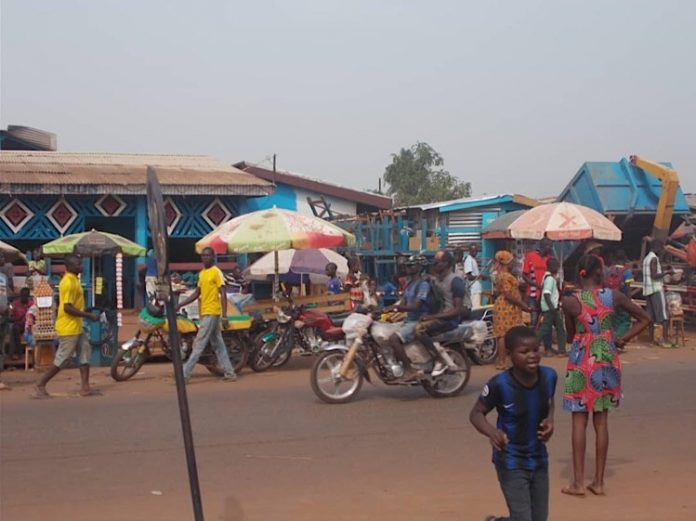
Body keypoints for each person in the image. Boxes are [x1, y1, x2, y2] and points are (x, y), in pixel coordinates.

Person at [561, 255, 650, 497]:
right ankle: (598, 482)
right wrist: (623, 338)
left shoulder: (570, 302)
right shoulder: (614, 297)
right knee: (601, 421)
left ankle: (578, 483)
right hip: (606, 358)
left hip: (581, 360)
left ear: (579, 274)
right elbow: (645, 318)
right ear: (600, 274)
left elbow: (570, 337)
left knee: (579, 420)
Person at [470, 326, 557, 521]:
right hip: (511, 460)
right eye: (524, 352)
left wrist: (550, 421)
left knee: (539, 518)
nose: (532, 356)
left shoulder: (549, 376)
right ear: (509, 355)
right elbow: (476, 413)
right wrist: (492, 432)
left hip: (539, 459)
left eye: (536, 349)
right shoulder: (500, 384)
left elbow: (549, 403)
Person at [31, 255, 100, 398]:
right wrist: (88, 316)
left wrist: (84, 311)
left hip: (77, 325)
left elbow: (73, 305)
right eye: (78, 263)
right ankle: (40, 384)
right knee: (63, 359)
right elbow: (68, 308)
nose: (81, 265)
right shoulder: (68, 282)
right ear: (69, 266)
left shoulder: (75, 280)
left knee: (84, 354)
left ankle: (85, 387)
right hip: (68, 327)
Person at [176, 247, 237, 382]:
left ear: (213, 257)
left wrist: (225, 315)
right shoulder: (202, 274)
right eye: (203, 256)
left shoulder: (216, 272)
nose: (205, 258)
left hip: (212, 312)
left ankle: (185, 374)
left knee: (199, 344)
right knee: (218, 345)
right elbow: (197, 293)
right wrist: (181, 304)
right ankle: (230, 373)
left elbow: (223, 294)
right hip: (205, 312)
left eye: (208, 255)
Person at [418, 250, 469, 374]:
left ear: (446, 264)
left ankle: (439, 360)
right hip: (442, 316)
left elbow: (456, 310)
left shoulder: (455, 281)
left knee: (419, 330)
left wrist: (432, 316)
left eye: (437, 262)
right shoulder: (438, 279)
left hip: (450, 319)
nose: (434, 265)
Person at [386, 255, 431, 382]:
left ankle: (409, 369)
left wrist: (396, 309)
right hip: (408, 320)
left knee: (394, 339)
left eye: (411, 265)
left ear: (420, 267)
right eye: (407, 265)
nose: (407, 267)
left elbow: (416, 306)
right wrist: (385, 310)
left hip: (418, 321)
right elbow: (402, 303)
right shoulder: (410, 284)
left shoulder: (423, 284)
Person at [493, 250, 530, 370]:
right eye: (511, 261)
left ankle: (503, 361)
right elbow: (509, 295)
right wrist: (522, 304)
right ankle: (502, 362)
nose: (512, 263)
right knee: (504, 335)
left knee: (503, 335)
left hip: (505, 306)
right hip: (507, 306)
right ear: (506, 262)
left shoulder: (499, 275)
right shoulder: (505, 276)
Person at [642, 239, 672, 347]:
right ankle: (665, 339)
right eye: (662, 249)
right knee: (663, 316)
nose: (663, 251)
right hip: (656, 289)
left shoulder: (646, 259)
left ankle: (652, 340)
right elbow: (654, 275)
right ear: (658, 248)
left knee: (651, 317)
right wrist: (667, 272)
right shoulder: (654, 259)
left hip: (648, 290)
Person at [535, 257, 566, 357]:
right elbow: (546, 294)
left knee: (559, 328)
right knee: (545, 328)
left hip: (551, 308)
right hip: (550, 309)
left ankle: (562, 350)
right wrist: (552, 307)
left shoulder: (547, 277)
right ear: (553, 267)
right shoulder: (550, 279)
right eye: (557, 267)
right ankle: (531, 345)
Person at [522, 239, 553, 329]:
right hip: (532, 293)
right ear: (544, 246)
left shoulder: (550, 259)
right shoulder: (530, 256)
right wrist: (537, 286)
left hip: (545, 293)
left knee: (544, 317)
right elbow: (524, 275)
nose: (551, 249)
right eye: (550, 246)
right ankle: (532, 337)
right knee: (534, 317)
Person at [605, 250, 634, 339]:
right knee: (625, 321)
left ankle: (611, 339)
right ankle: (617, 338)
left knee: (614, 321)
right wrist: (629, 301)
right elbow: (628, 288)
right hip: (622, 299)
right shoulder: (627, 272)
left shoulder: (609, 270)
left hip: (610, 298)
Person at [9, 287, 34, 360]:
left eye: (25, 296)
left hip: (29, 326)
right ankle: (18, 353)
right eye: (22, 296)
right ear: (20, 296)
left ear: (28, 296)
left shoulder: (32, 304)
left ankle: (15, 354)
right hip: (19, 325)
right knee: (14, 328)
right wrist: (17, 319)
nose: (23, 298)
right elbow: (10, 318)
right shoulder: (14, 304)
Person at [463, 243, 486, 309]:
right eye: (473, 251)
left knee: (477, 307)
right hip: (473, 289)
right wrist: (480, 276)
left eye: (476, 251)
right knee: (475, 308)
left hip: (476, 289)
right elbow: (469, 277)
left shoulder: (473, 259)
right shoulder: (469, 260)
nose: (475, 252)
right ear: (469, 250)